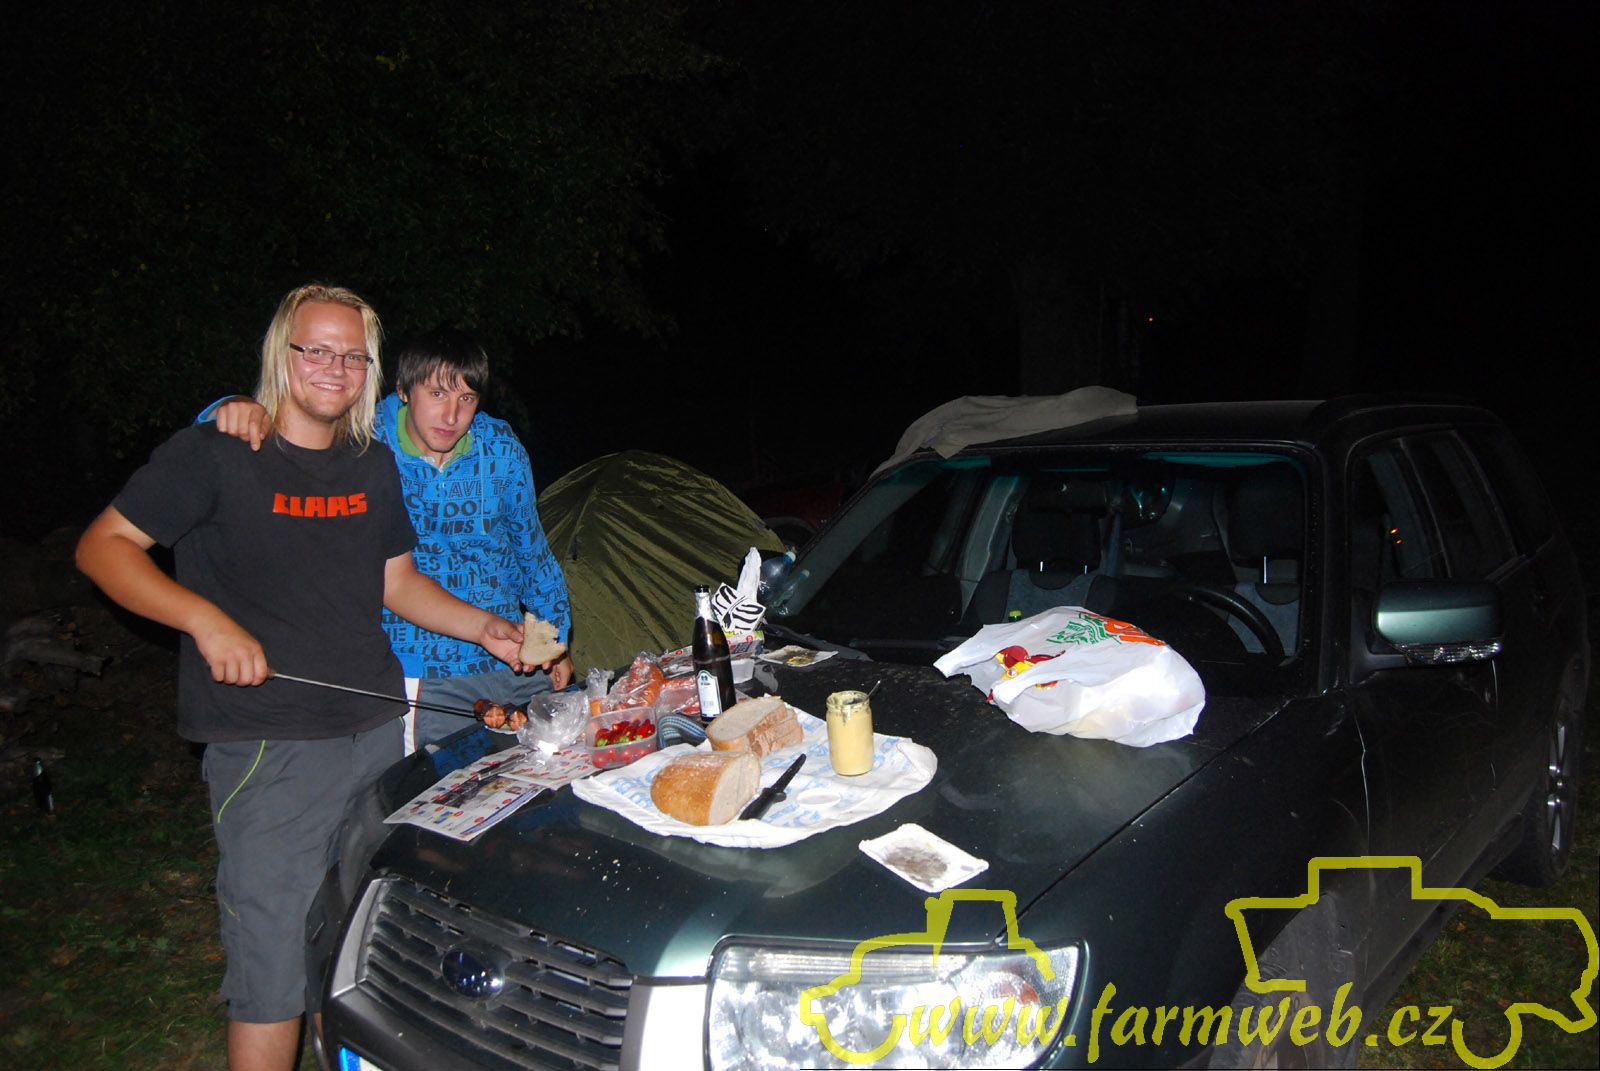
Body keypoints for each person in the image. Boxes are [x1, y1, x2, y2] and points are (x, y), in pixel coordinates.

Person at [76, 284, 527, 1071]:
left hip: (378, 735)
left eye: (351, 355)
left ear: (369, 371)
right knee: (273, 969)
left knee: (361, 941)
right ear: (280, 353)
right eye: (315, 348)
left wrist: (482, 625)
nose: (333, 366)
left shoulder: (372, 465)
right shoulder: (217, 453)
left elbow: (397, 583)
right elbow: (103, 546)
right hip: (268, 747)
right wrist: (204, 620)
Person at [204, 328, 572, 749]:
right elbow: (283, 427)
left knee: (546, 771)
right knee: (435, 786)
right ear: (403, 389)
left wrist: (554, 641)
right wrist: (232, 407)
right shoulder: (363, 440)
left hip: (511, 656)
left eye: (466, 398)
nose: (451, 415)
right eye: (437, 394)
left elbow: (531, 551)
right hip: (417, 669)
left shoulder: (501, 449)